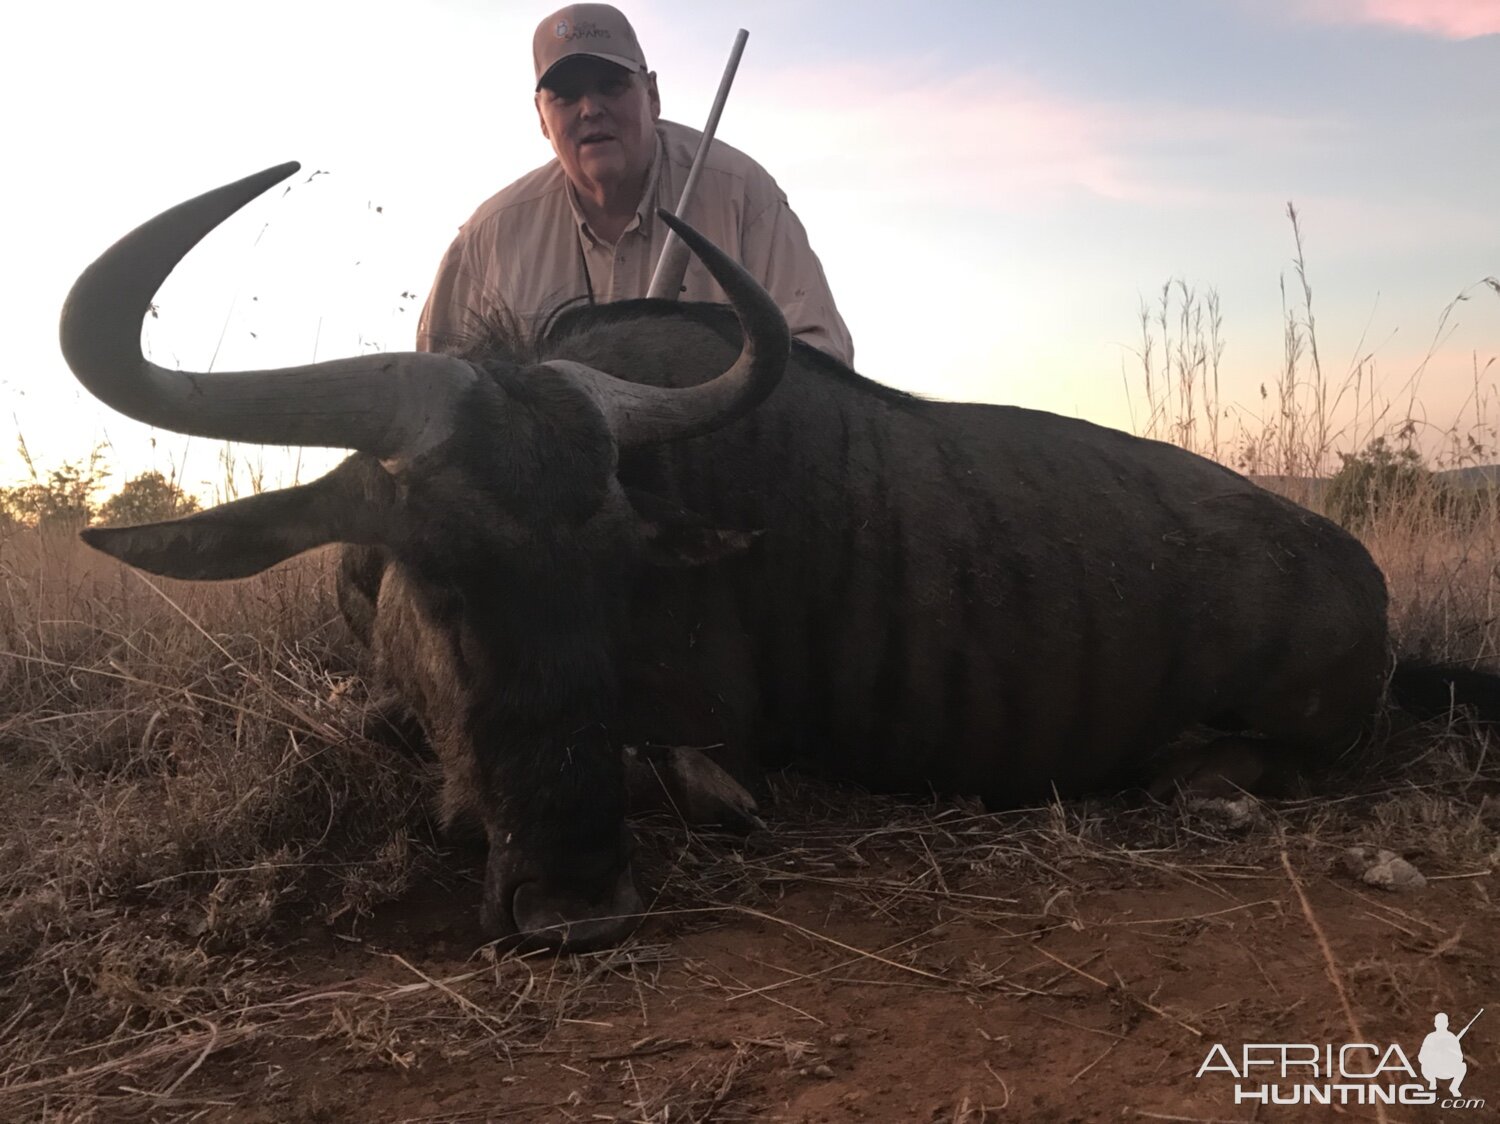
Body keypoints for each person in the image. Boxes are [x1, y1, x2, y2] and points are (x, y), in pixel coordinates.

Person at [417, 3, 854, 366]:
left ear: (652, 95)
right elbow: (435, 393)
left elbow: (822, 359)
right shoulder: (486, 237)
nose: (590, 109)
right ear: (541, 118)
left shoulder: (743, 194)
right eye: (566, 96)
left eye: (611, 85)